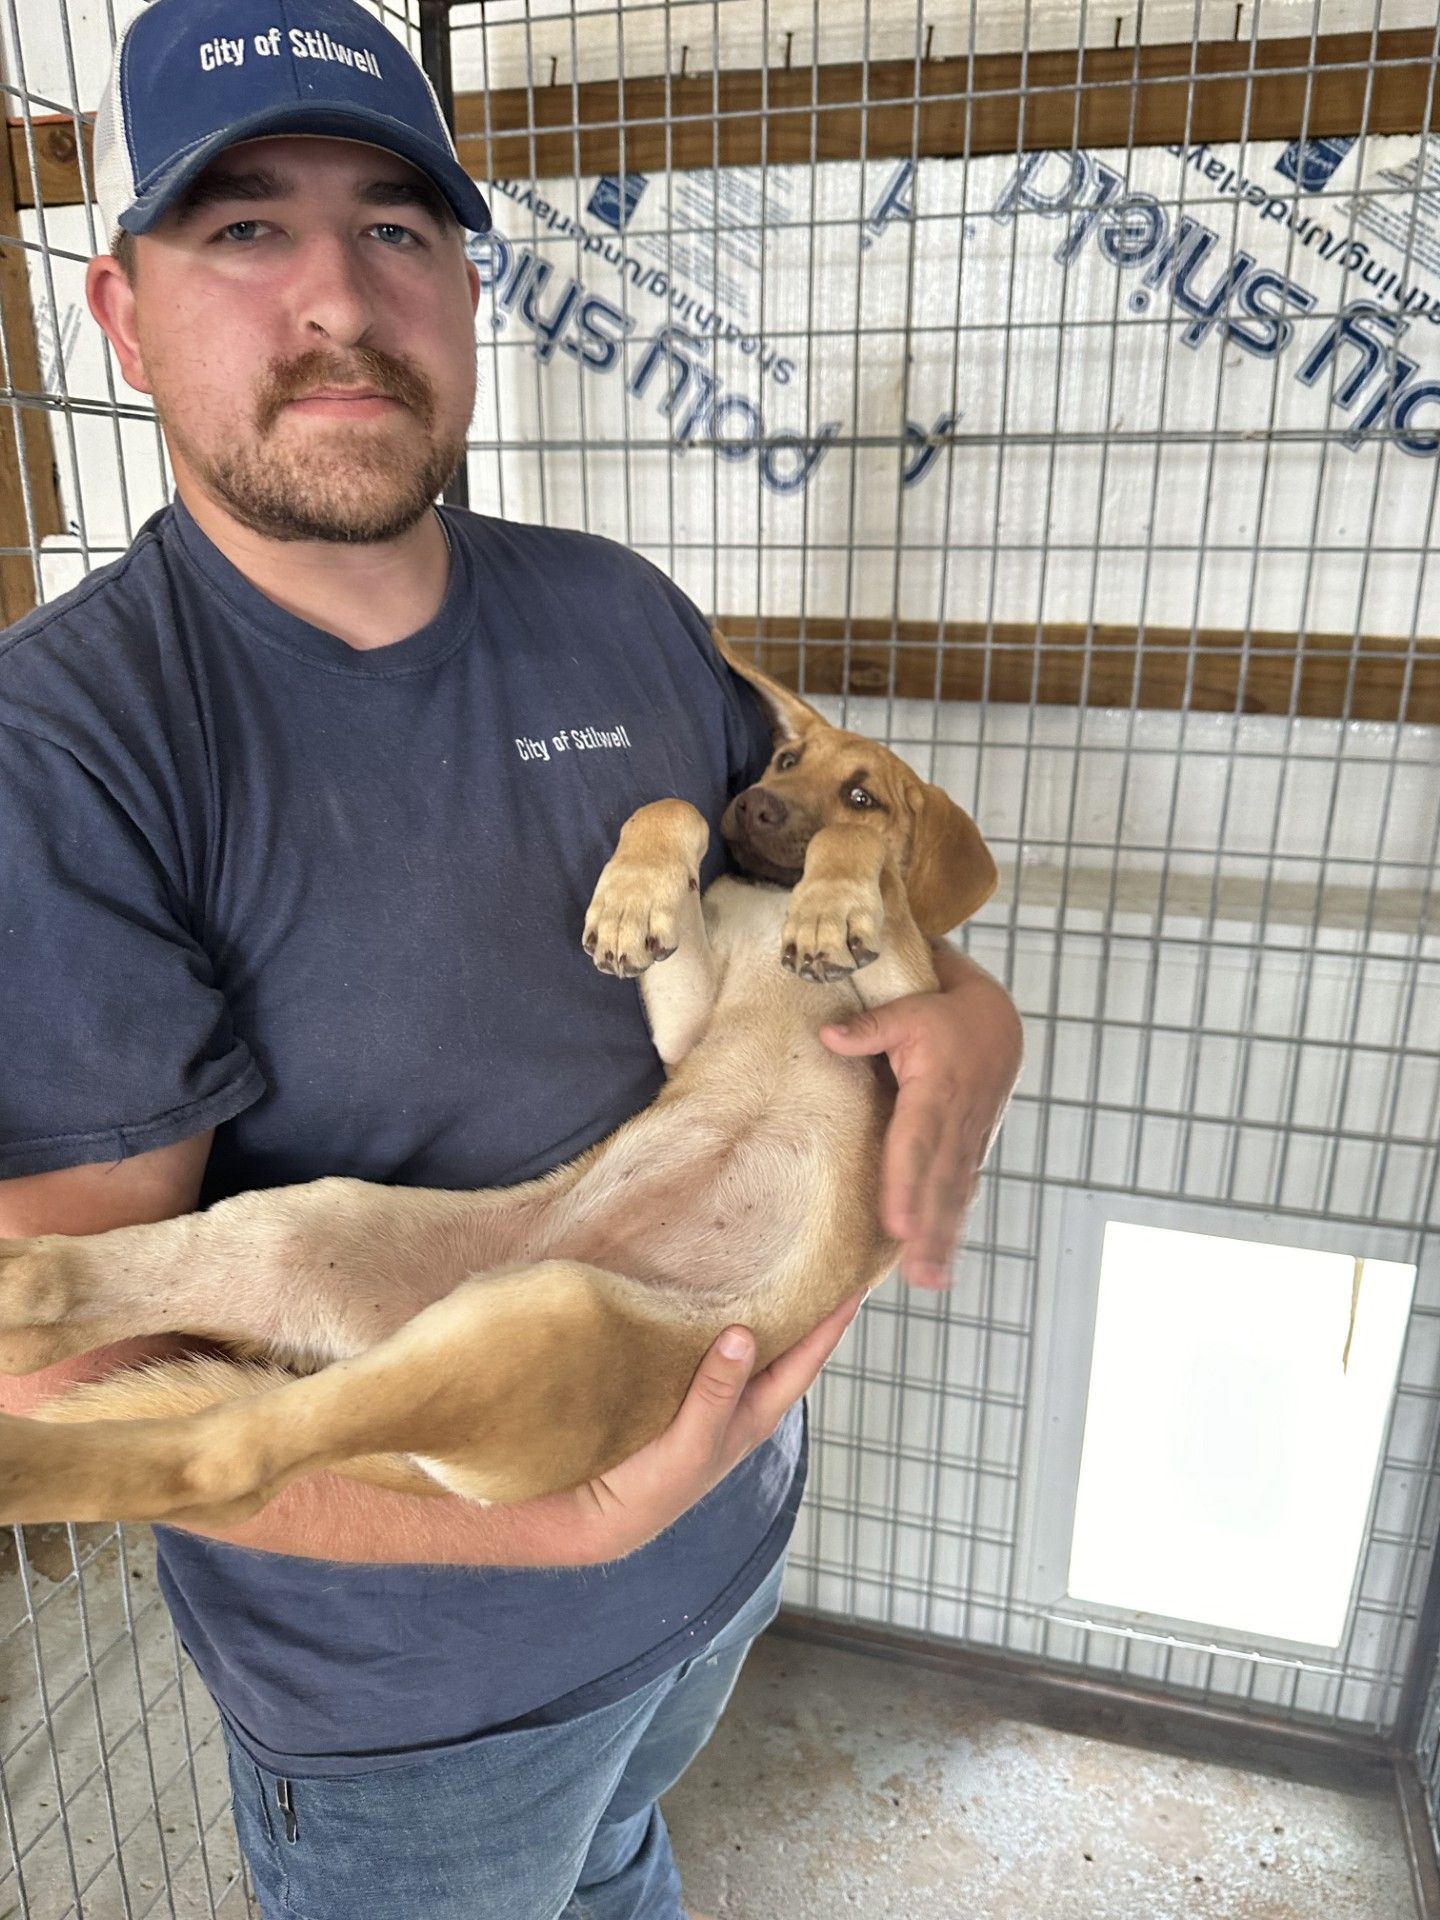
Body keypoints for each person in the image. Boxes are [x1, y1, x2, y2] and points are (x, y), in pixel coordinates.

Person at [0, 2, 1023, 1916]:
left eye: (396, 226)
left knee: (626, 1867)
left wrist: (978, 1016)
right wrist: (555, 1537)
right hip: (422, 1710)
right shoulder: (68, 747)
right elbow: (64, 1363)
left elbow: (828, 924)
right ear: (119, 316)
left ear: (464, 291)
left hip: (721, 1556)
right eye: (242, 229)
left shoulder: (620, 611)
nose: (336, 297)